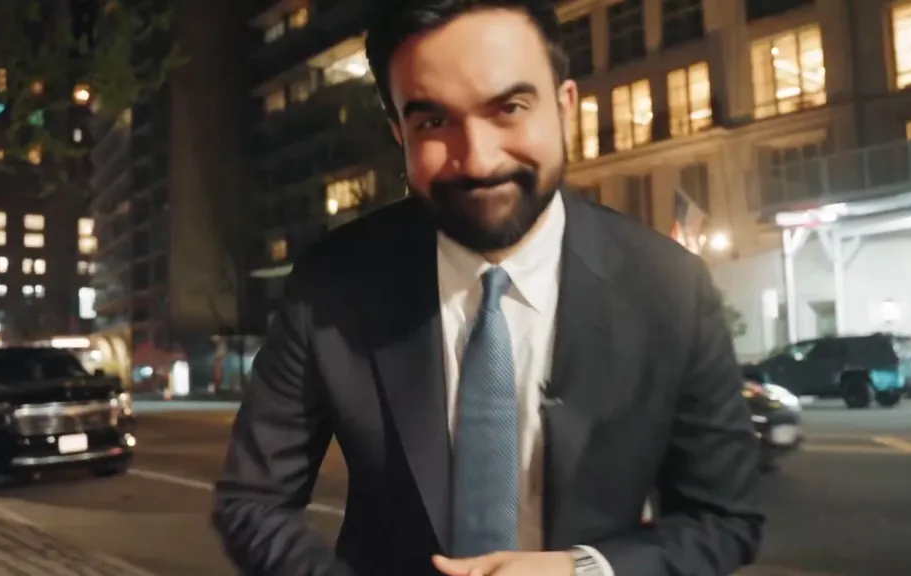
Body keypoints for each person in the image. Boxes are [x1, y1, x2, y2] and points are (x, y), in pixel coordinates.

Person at [211, 0, 765, 574]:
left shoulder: (670, 289)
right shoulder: (332, 285)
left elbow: (724, 518)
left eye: (510, 109)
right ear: (398, 132)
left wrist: (585, 571)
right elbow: (251, 502)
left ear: (565, 106)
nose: (477, 159)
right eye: (432, 122)